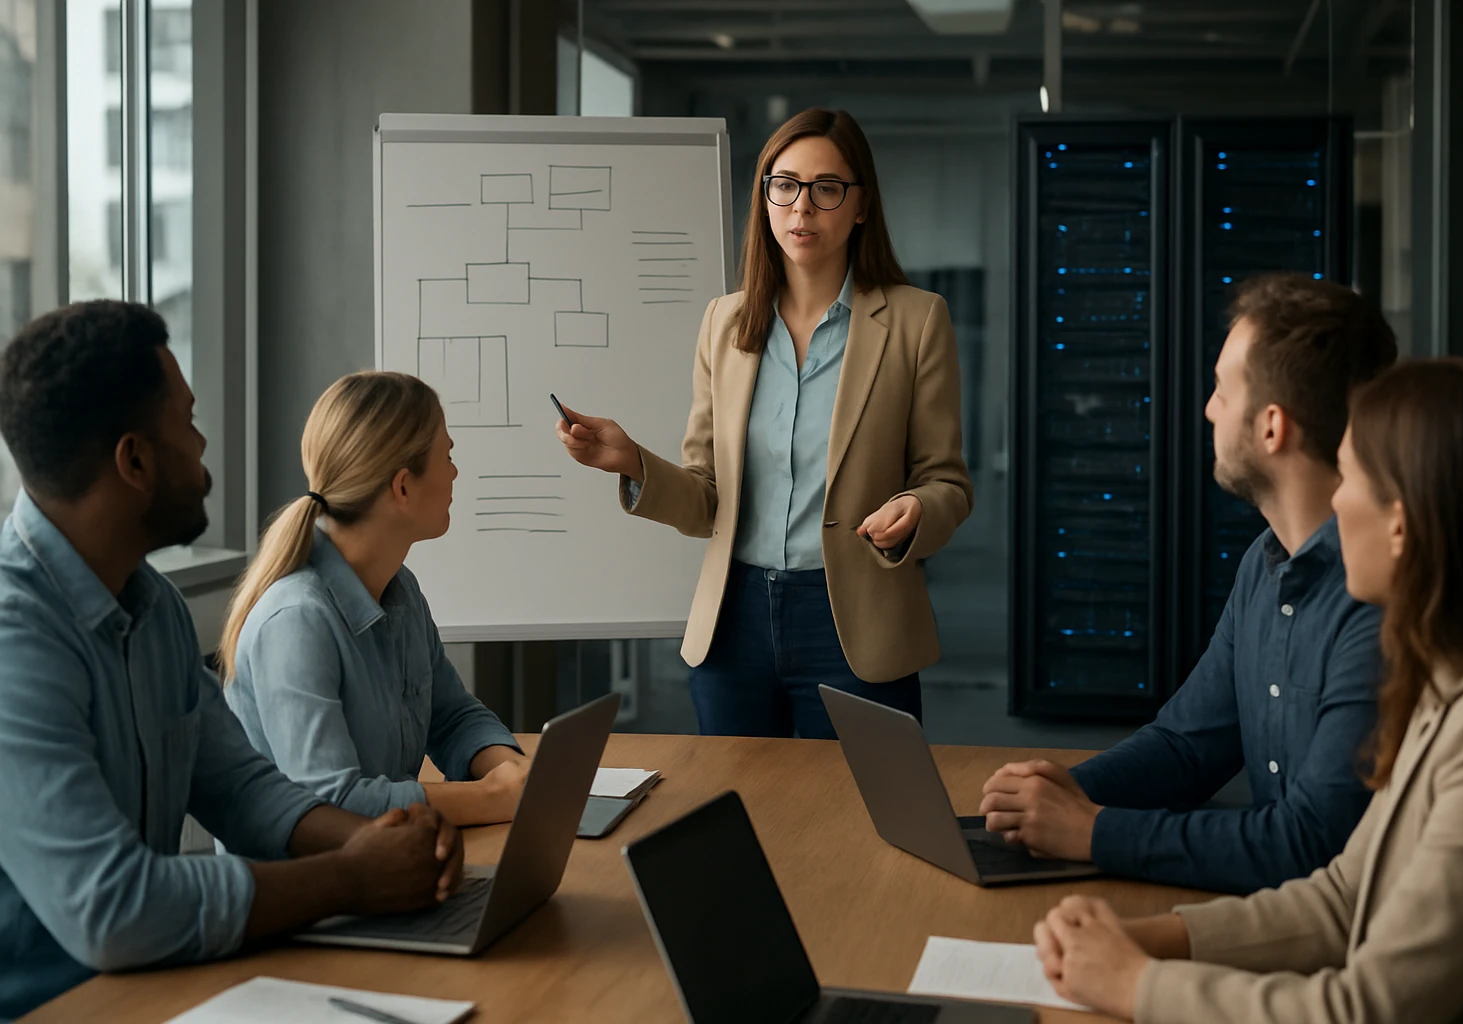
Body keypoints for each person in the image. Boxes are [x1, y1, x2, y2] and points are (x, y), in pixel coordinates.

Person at [1031, 358, 1463, 1024]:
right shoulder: (1447, 687)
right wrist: (1158, 937)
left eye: (1352, 476)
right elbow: (1340, 898)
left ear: (1401, 523)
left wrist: (1136, 984)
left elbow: (1364, 1009)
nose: (1337, 501)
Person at [0, 302, 464, 1019]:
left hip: (160, 984)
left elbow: (243, 789)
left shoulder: (147, 602)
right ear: (135, 461)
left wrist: (386, 844)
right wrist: (351, 878)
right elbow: (112, 908)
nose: (203, 441)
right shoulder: (14, 641)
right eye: (186, 422)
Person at [555, 107, 974, 739]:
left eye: (826, 189)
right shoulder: (725, 323)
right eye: (784, 185)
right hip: (735, 621)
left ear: (860, 205)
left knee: (852, 823)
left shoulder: (916, 322)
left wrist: (917, 508)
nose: (801, 207)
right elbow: (705, 502)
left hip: (854, 619)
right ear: (765, 197)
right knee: (740, 820)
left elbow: (948, 482)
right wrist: (634, 463)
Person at [980, 274, 1398, 893]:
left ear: (1271, 428)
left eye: (1223, 392)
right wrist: (1062, 793)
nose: (1207, 408)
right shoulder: (1264, 563)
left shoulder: (1374, 603)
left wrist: (1090, 831)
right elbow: (1186, 746)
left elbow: (1312, 843)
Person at [222, 372, 529, 826]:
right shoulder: (295, 621)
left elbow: (452, 716)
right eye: (447, 456)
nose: (455, 471)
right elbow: (331, 801)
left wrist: (513, 771)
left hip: (389, 867)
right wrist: (492, 798)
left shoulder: (399, 587)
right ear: (403, 487)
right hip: (308, 890)